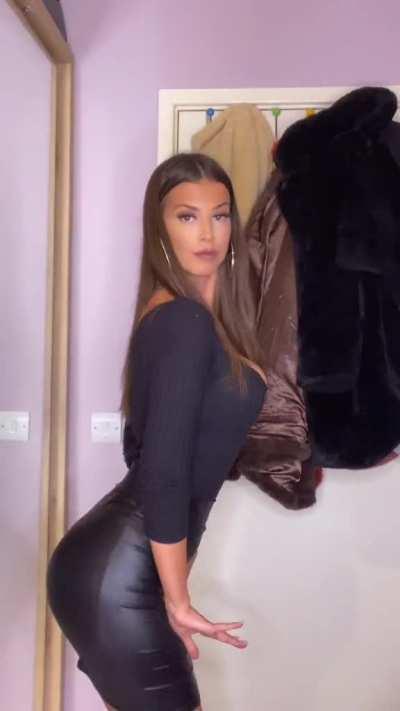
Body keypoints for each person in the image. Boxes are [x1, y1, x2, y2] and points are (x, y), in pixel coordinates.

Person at [47, 153, 268, 711]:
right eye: (187, 216)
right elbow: (163, 472)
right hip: (120, 575)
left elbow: (150, 451)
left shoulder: (193, 318)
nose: (208, 234)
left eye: (220, 215)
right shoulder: (182, 322)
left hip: (123, 567)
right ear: (159, 227)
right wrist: (177, 598)